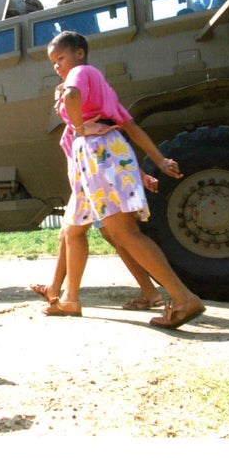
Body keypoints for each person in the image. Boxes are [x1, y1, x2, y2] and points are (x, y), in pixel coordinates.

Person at [45, 30, 205, 328]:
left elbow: (70, 95)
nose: (57, 66)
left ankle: (183, 299)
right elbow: (131, 127)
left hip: (96, 155)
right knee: (72, 230)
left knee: (125, 234)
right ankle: (69, 300)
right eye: (53, 62)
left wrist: (78, 127)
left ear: (79, 53)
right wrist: (158, 160)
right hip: (97, 160)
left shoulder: (80, 72)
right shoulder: (103, 88)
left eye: (61, 58)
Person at [30, 173, 165, 311]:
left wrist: (148, 168)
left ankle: (178, 296)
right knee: (96, 233)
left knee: (78, 232)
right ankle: (57, 291)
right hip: (92, 173)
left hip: (93, 174)